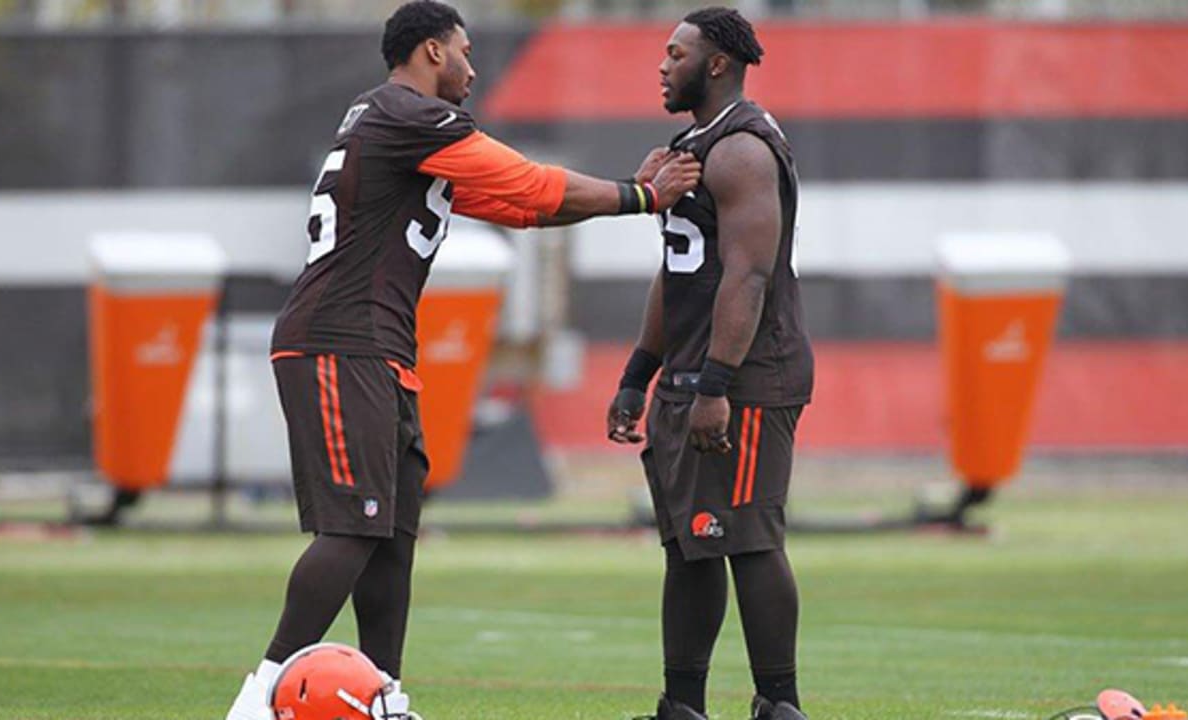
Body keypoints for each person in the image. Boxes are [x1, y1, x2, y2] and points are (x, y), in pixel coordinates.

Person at [224, 2, 701, 719]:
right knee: (355, 525)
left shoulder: (388, 123)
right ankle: (257, 699)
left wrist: (620, 196)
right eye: (464, 51)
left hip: (377, 347)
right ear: (431, 52)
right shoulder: (409, 114)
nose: (474, 68)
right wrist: (640, 196)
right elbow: (535, 183)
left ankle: (381, 696)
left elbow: (522, 206)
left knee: (390, 537)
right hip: (339, 341)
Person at [606, 8, 814, 720]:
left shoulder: (744, 149)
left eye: (676, 53)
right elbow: (679, 272)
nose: (662, 65)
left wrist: (717, 384)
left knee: (749, 540)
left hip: (746, 378)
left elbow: (748, 276)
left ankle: (779, 705)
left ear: (716, 63)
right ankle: (683, 707)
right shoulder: (688, 148)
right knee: (691, 546)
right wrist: (640, 372)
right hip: (691, 374)